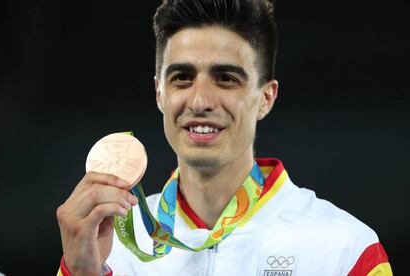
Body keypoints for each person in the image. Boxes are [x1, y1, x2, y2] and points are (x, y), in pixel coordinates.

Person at [56, 0, 392, 275]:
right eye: (182, 77)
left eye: (226, 78)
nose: (200, 101)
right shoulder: (109, 246)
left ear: (266, 97)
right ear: (159, 92)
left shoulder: (344, 250)